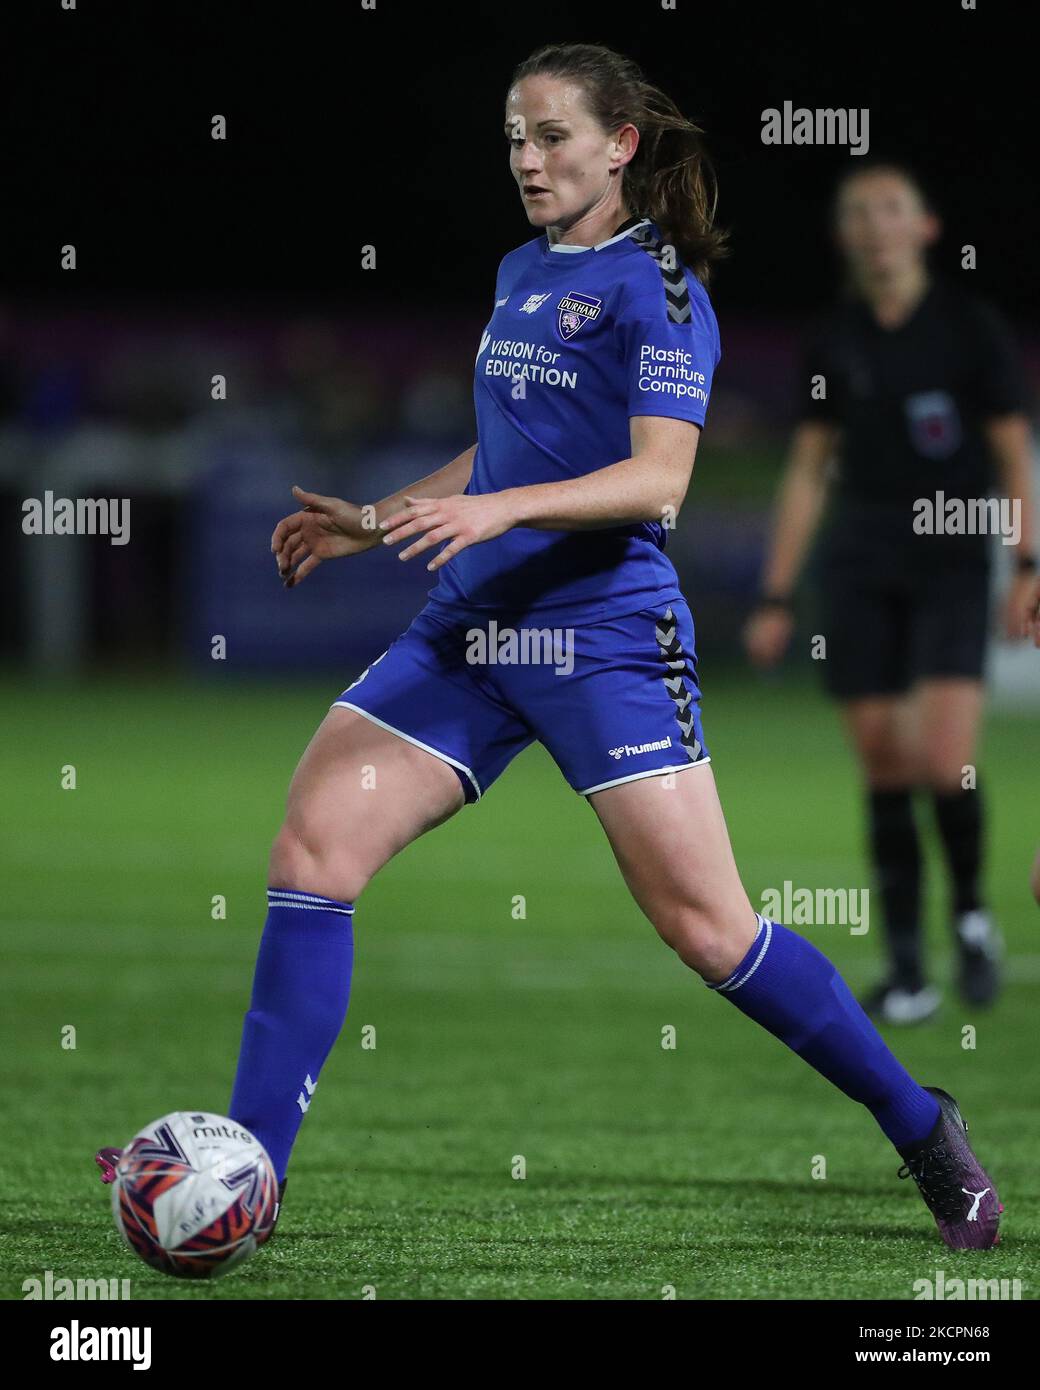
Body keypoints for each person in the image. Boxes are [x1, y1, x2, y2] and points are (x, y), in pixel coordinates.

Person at [97, 46, 1001, 1250]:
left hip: (603, 636)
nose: (527, 159)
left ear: (620, 143)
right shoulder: (521, 269)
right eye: (513, 139)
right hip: (471, 627)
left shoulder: (660, 286)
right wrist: (378, 522)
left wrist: (502, 512)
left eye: (552, 137)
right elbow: (503, 454)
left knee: (706, 929)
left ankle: (915, 1122)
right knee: (313, 847)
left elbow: (659, 476)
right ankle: (252, 1180)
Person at [744, 164, 1036, 1024]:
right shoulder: (833, 338)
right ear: (843, 237)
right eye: (859, 214)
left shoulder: (970, 329)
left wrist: (1026, 564)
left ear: (927, 227)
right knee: (885, 763)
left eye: (892, 209)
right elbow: (807, 469)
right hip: (859, 569)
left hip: (949, 565)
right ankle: (908, 968)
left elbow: (1014, 451)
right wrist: (775, 593)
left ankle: (974, 918)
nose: (875, 226)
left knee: (944, 762)